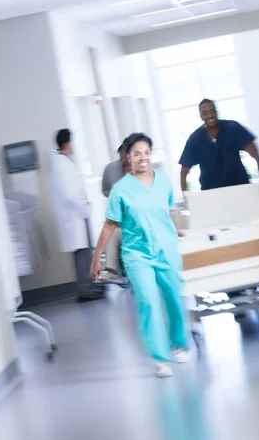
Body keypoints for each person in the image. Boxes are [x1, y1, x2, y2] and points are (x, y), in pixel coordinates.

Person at [91, 132, 189, 378]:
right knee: (148, 302)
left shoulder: (164, 181)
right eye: (137, 153)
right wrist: (96, 258)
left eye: (146, 152)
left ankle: (179, 344)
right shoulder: (121, 190)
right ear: (128, 157)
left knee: (175, 298)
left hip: (166, 249)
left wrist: (176, 231)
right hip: (137, 254)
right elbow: (109, 225)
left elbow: (164, 212)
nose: (143, 158)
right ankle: (160, 359)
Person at [47, 129, 105, 303]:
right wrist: (84, 208)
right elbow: (69, 194)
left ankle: (88, 287)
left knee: (84, 255)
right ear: (68, 143)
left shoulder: (62, 162)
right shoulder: (61, 165)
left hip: (76, 216)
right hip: (75, 217)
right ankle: (85, 291)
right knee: (82, 255)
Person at [179, 98, 259, 192]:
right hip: (212, 193)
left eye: (212, 111)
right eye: (205, 113)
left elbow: (257, 157)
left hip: (239, 188)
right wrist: (187, 198)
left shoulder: (233, 128)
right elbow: (184, 173)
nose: (210, 115)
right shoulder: (195, 139)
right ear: (201, 117)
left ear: (216, 112)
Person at [101, 144, 130, 279]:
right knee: (111, 233)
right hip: (123, 222)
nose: (123, 158)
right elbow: (105, 189)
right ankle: (112, 271)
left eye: (125, 155)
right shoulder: (111, 169)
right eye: (121, 156)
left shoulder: (140, 173)